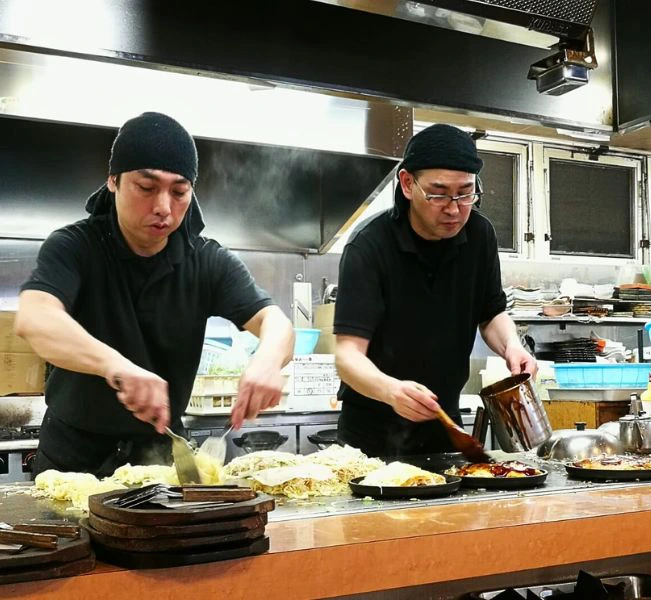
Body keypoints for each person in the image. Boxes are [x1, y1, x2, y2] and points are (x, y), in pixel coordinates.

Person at [14, 112, 294, 477]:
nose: (164, 206)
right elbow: (35, 318)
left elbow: (276, 323)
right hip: (71, 457)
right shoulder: (75, 246)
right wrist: (117, 367)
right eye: (147, 188)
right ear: (113, 181)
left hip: (158, 459)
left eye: (179, 192)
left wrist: (267, 362)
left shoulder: (206, 260)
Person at [333, 124, 536, 457]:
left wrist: (513, 347)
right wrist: (391, 391)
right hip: (371, 436)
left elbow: (491, 313)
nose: (454, 209)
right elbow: (347, 356)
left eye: (465, 193)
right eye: (439, 193)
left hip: (446, 429)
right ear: (408, 183)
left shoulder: (480, 235)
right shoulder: (369, 246)